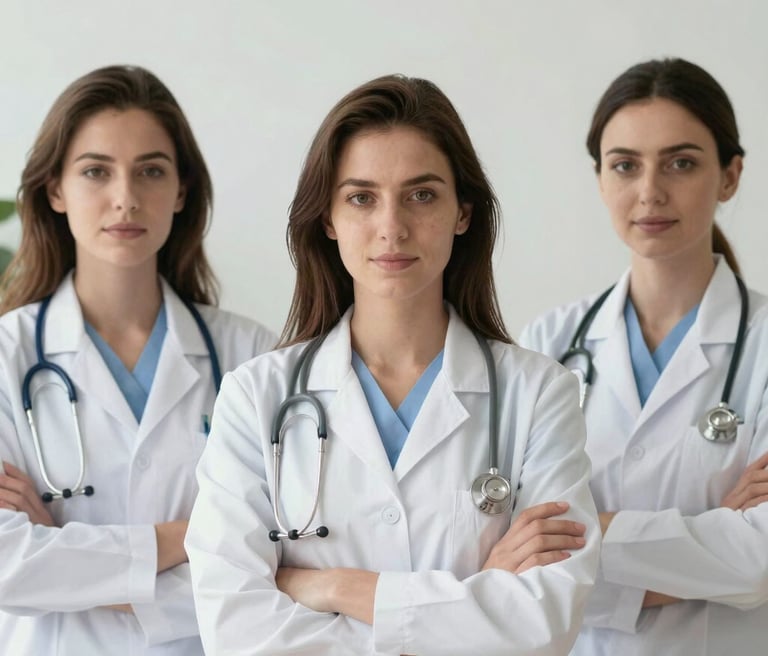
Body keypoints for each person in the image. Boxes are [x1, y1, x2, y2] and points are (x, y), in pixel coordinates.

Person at [185, 74, 599, 655]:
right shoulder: (256, 397)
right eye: (361, 198)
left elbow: (544, 622)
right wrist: (477, 595)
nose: (392, 227)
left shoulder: (539, 394)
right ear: (327, 219)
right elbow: (236, 629)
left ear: (463, 213)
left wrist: (334, 587)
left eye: (422, 194)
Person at [0, 65, 276, 655]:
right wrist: (198, 538)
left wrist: (65, 558)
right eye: (96, 171)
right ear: (54, 189)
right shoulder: (6, 355)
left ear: (181, 191)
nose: (125, 197)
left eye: (151, 170)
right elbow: (4, 566)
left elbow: (280, 567)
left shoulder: (253, 357)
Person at [519, 58, 768, 655]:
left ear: (730, 176)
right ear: (601, 179)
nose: (650, 191)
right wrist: (714, 535)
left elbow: (760, 559)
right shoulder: (545, 346)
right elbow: (510, 563)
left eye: (681, 162)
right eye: (625, 165)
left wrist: (587, 541)